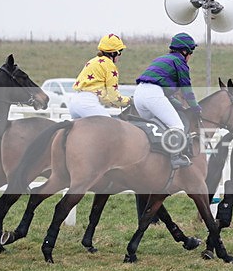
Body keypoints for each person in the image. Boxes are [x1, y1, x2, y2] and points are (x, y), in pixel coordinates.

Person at [133, 32, 201, 169]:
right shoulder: (179, 62)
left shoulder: (161, 59)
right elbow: (187, 89)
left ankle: (154, 158)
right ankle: (176, 158)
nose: (191, 55)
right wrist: (196, 107)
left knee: (156, 127)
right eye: (191, 51)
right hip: (153, 94)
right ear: (184, 51)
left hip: (139, 94)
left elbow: (167, 95)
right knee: (177, 126)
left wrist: (179, 106)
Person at [69, 33, 131, 118]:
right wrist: (129, 101)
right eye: (119, 52)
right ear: (113, 53)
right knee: (112, 127)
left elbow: (104, 98)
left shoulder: (92, 61)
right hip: (88, 103)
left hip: (74, 103)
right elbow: (114, 97)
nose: (119, 56)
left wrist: (119, 104)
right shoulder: (109, 65)